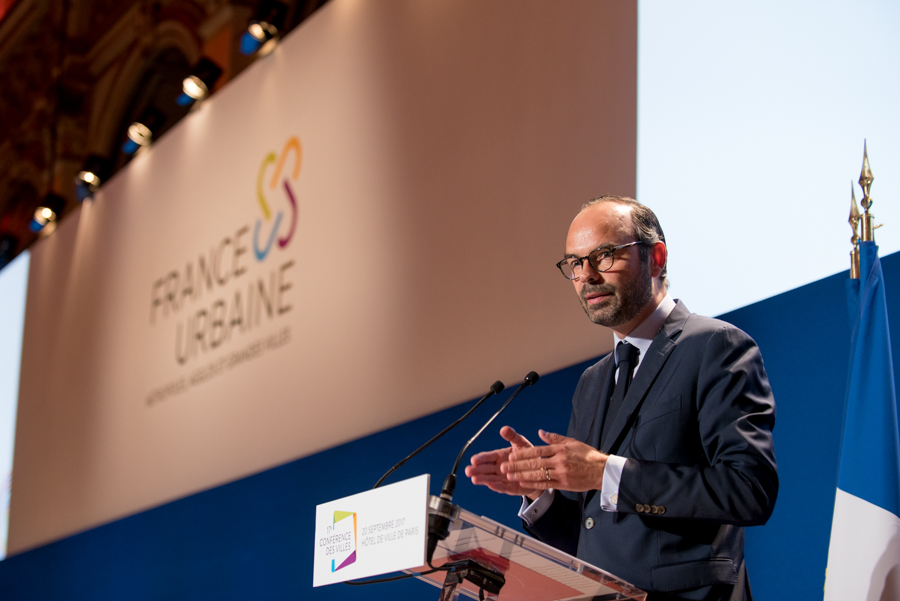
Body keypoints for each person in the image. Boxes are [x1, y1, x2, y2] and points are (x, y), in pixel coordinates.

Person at [464, 196, 778, 601]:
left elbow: (749, 490)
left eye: (604, 255)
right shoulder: (593, 382)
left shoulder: (716, 346)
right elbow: (589, 537)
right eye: (575, 263)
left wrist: (605, 473)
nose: (587, 275)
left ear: (657, 257)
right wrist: (541, 493)